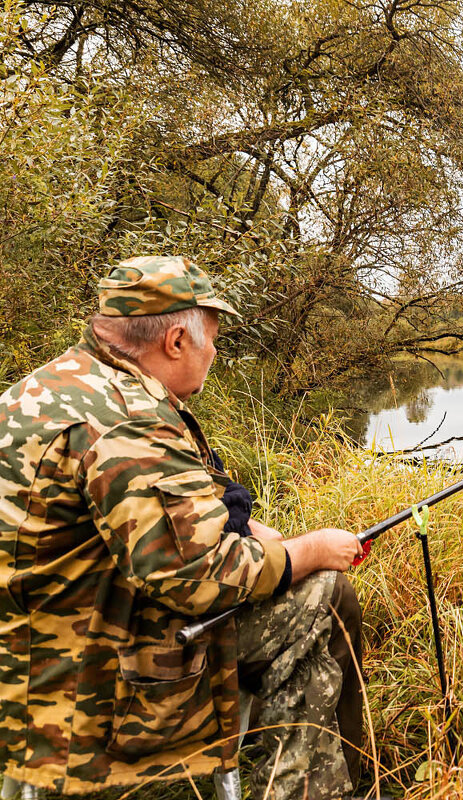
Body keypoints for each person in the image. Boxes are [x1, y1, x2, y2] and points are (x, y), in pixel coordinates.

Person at [0, 256, 371, 798]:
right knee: (323, 596)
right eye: (212, 340)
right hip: (89, 684)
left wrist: (251, 530)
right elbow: (197, 579)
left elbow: (140, 517)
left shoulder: (42, 390)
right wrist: (309, 550)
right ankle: (321, 787)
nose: (214, 353)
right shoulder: (131, 424)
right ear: (175, 340)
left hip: (26, 644)